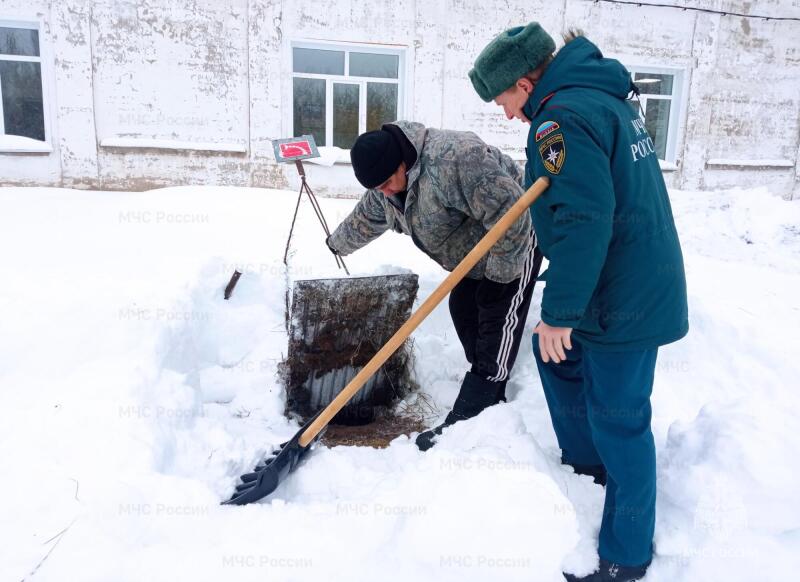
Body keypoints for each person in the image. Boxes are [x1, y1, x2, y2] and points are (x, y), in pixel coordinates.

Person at [469, 23, 689, 582]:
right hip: (621, 280)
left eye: (504, 101)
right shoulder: (599, 98)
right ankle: (588, 467)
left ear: (525, 82)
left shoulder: (559, 119)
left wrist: (559, 313)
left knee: (623, 422)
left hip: (624, 296)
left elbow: (585, 220)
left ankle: (625, 555)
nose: (507, 115)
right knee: (557, 359)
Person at [326, 121, 543, 451]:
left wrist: (500, 280)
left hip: (517, 239)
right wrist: (336, 244)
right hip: (474, 254)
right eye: (377, 188)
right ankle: (488, 381)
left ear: (402, 162)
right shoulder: (387, 185)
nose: (384, 192)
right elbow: (368, 216)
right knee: (464, 307)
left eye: (386, 183)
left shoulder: (456, 160)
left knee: (496, 317)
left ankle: (481, 400)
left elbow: (513, 217)